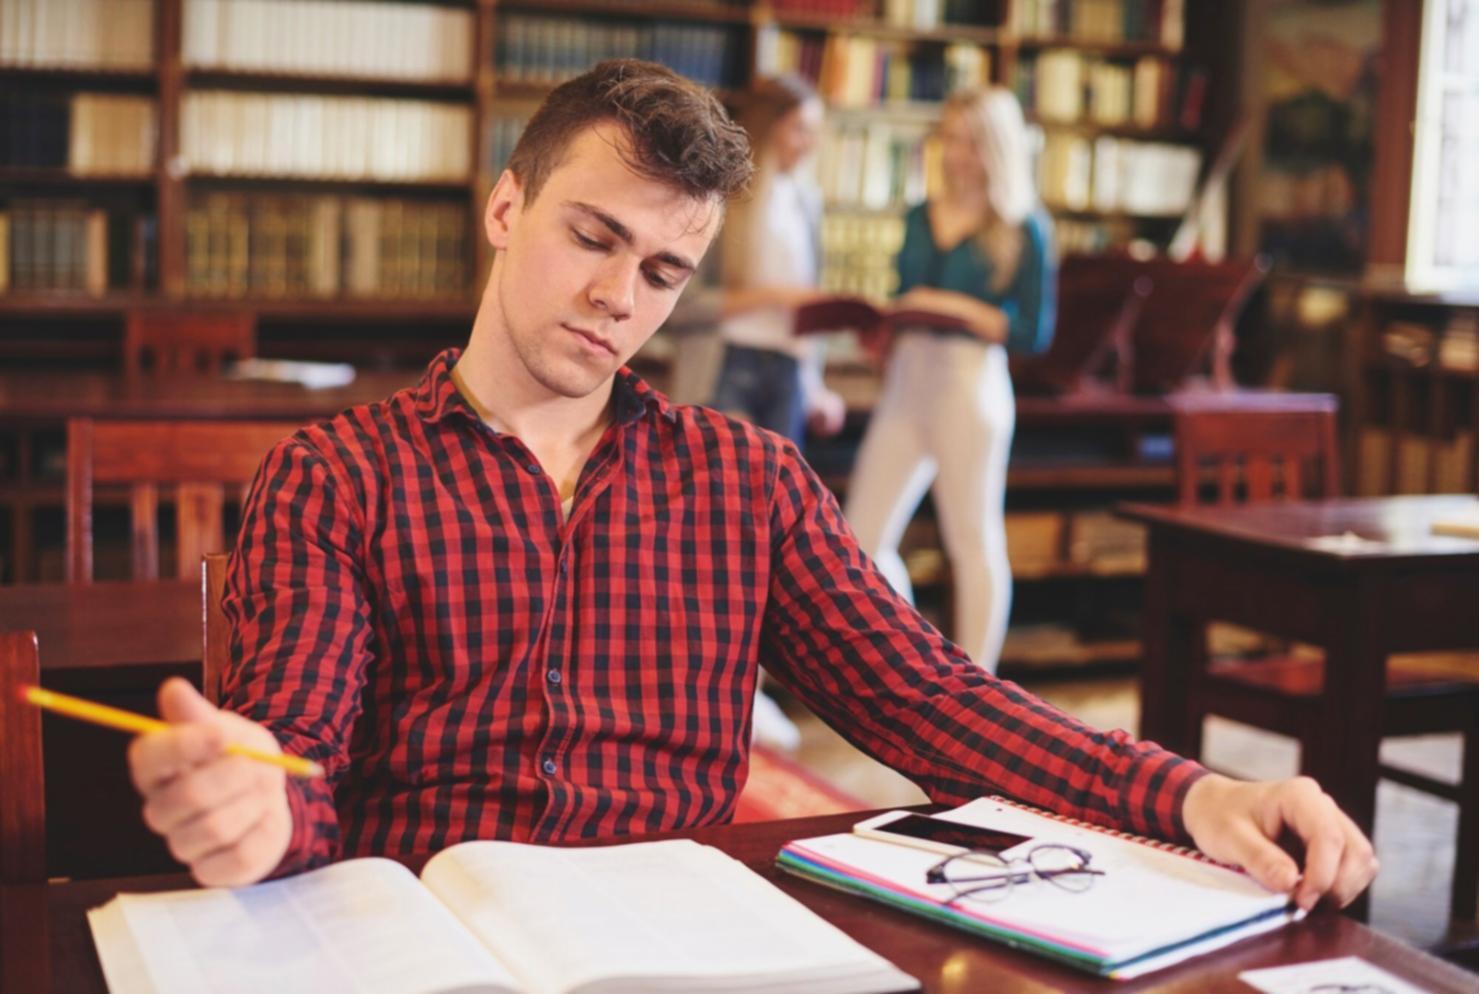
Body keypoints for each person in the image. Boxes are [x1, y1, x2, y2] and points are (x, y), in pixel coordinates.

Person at [128, 61, 1376, 916]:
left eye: (667, 269)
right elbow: (293, 758)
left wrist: (1197, 793)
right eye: (593, 236)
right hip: (431, 945)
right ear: (507, 207)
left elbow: (933, 704)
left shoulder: (745, 480)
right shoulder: (339, 476)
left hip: (693, 946)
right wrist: (249, 805)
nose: (623, 297)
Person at [844, 87, 1052, 673]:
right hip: (908, 379)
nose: (958, 154)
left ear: (998, 149)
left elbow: (1034, 332)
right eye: (951, 138)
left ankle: (977, 685)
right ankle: (912, 665)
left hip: (971, 385)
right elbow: (900, 297)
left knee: (972, 539)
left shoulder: (1023, 227)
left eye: (972, 142)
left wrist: (957, 309)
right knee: (862, 536)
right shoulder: (918, 213)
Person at [707, 73, 846, 447]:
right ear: (768, 126)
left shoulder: (807, 201)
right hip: (730, 360)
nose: (811, 143)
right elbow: (685, 306)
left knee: (778, 497)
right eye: (800, 129)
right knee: (726, 492)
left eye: (815, 131)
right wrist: (774, 296)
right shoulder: (724, 200)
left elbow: (806, 306)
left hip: (789, 366)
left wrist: (815, 387)